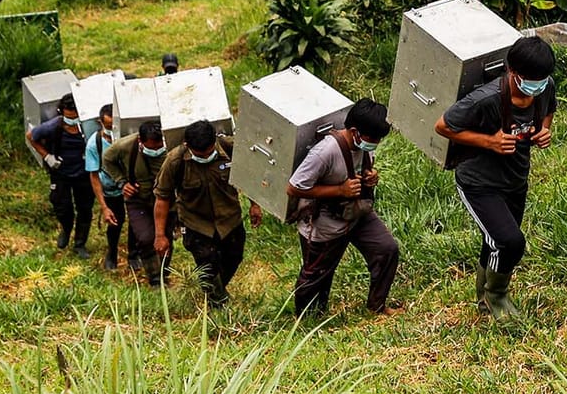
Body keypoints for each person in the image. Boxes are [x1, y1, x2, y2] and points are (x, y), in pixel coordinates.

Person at [435, 36, 558, 318]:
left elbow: (549, 109)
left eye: (542, 79)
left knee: (494, 241)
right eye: (530, 79)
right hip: (479, 183)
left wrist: (543, 130)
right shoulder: (485, 100)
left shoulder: (545, 86)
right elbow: (443, 126)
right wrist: (488, 142)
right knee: (510, 242)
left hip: (516, 178)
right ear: (511, 71)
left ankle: (485, 299)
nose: (537, 86)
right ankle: (494, 298)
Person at [286, 98, 403, 318]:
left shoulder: (363, 146)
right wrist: (339, 190)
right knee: (316, 277)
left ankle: (377, 306)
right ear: (354, 131)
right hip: (324, 224)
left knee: (387, 249)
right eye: (372, 139)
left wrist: (370, 177)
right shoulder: (325, 152)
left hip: (357, 214)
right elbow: (294, 187)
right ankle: (307, 319)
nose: (375, 143)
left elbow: (360, 169)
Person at [153, 118, 264, 308]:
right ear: (188, 145)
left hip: (230, 219)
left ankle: (215, 290)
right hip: (196, 223)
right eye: (199, 154)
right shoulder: (175, 161)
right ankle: (217, 304)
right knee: (207, 263)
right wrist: (160, 235)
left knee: (234, 257)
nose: (205, 157)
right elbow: (162, 198)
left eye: (209, 152)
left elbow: (249, 177)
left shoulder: (231, 149)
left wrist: (255, 204)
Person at [27, 93, 94, 258]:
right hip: (61, 173)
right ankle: (66, 228)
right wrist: (47, 157)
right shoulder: (52, 127)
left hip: (83, 174)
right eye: (69, 117)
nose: (72, 120)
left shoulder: (87, 127)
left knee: (85, 209)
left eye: (75, 116)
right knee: (62, 207)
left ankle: (80, 244)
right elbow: (31, 136)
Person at [103, 119, 169, 284]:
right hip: (138, 200)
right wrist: (122, 182)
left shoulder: (170, 145)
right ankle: (154, 277)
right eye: (151, 147)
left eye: (158, 147)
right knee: (146, 237)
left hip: (166, 201)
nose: (155, 150)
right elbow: (107, 160)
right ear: (141, 141)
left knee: (165, 239)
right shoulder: (124, 146)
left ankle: (164, 273)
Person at [83, 103, 126, 271]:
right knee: (116, 221)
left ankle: (135, 253)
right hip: (110, 189)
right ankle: (112, 252)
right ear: (100, 122)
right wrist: (104, 207)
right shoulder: (94, 144)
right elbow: (93, 176)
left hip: (129, 186)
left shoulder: (125, 138)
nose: (111, 129)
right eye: (108, 126)